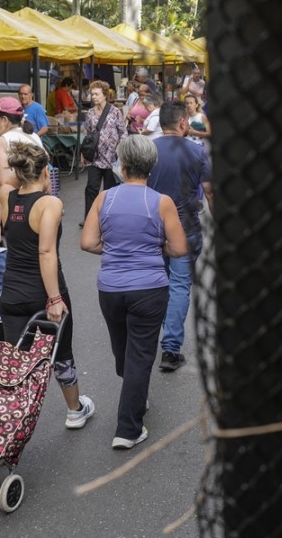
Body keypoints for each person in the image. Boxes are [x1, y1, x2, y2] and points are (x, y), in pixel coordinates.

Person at [81, 135, 188, 448]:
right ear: (151, 167)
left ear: (122, 166)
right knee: (139, 357)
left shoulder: (105, 198)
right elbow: (179, 248)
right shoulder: (161, 202)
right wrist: (153, 247)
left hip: (111, 288)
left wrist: (115, 249)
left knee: (123, 351)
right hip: (150, 288)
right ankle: (128, 429)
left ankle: (134, 397)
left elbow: (87, 242)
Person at [0, 141, 95, 430]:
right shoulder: (50, 204)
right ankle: (74, 410)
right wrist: (54, 298)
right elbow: (46, 252)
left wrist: (29, 174)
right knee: (62, 353)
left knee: (17, 360)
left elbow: (9, 181)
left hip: (11, 294)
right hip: (44, 294)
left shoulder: (6, 196)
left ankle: (10, 420)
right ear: (44, 173)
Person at [148, 101, 213, 372]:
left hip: (150, 228)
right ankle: (171, 350)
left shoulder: (147, 150)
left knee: (156, 283)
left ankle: (148, 340)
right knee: (179, 285)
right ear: (183, 122)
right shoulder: (197, 151)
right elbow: (210, 191)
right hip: (185, 228)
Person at [0, 96, 45, 242]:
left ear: (5, 120)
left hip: (13, 206)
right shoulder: (33, 136)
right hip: (37, 202)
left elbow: (1, 184)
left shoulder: (1, 141)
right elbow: (45, 175)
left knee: (12, 256)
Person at [82, 79, 126, 225]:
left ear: (105, 94)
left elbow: (123, 132)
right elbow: (88, 134)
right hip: (95, 157)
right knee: (91, 188)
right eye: (92, 94)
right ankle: (89, 218)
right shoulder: (89, 113)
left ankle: (108, 217)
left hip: (112, 157)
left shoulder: (115, 112)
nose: (93, 97)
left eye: (96, 94)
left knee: (109, 190)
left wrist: (121, 151)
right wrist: (83, 153)